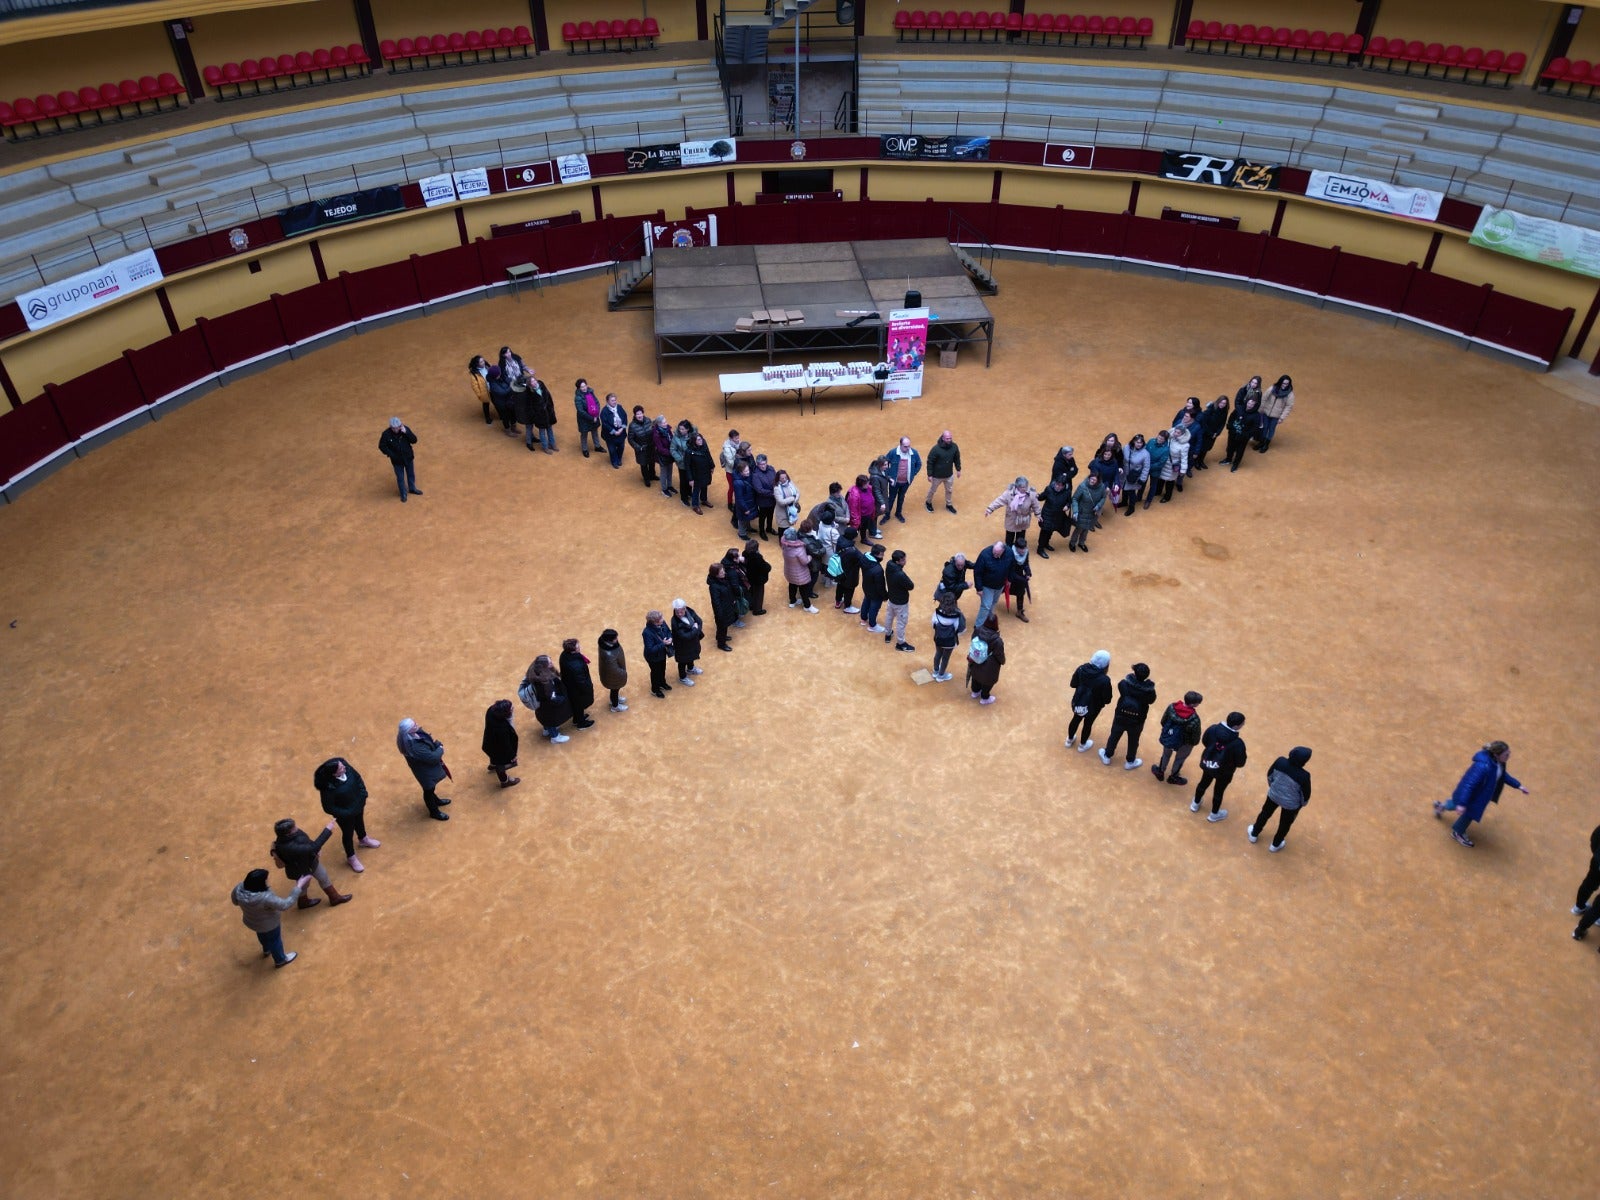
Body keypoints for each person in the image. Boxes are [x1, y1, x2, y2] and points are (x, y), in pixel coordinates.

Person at [1433, 740, 1528, 848]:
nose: (1509, 756)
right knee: (1468, 815)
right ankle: (1458, 832)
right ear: (1496, 754)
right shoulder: (1483, 767)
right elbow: (1469, 785)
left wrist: (1518, 785)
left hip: (1475, 796)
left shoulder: (1498, 763)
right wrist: (1463, 803)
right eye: (1506, 754)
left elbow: (1502, 775)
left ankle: (1441, 806)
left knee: (1456, 804)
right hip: (1473, 797)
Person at [231, 867, 313, 968]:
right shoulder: (265, 898)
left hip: (252, 921)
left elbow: (235, 901)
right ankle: (280, 959)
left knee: (261, 935)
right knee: (275, 940)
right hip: (270, 924)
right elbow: (285, 904)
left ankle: (267, 949)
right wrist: (298, 886)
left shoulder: (239, 888)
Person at [313, 757, 380, 872]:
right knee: (348, 833)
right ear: (334, 774)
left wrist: (363, 794)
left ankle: (363, 839)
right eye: (340, 767)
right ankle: (351, 857)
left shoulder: (347, 768)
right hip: (345, 815)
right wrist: (346, 813)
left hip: (358, 804)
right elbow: (328, 807)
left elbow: (358, 778)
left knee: (359, 822)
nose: (344, 766)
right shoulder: (328, 788)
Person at [271, 817, 354, 908]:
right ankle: (305, 901)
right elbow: (312, 848)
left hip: (308, 863)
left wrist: (314, 851)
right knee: (304, 885)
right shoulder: (289, 847)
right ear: (288, 833)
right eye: (294, 827)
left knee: (322, 876)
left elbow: (307, 842)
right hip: (301, 868)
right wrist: (327, 830)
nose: (297, 828)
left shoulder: (289, 836)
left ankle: (334, 897)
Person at [1249, 747, 1313, 851]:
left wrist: (1273, 788)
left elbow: (1269, 775)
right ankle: (1275, 844)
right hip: (1290, 805)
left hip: (1273, 796)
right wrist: (1300, 805)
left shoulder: (1280, 761)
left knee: (1264, 813)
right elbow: (1305, 795)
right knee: (1285, 824)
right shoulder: (1304, 776)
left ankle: (1254, 834)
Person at [1192, 711, 1248, 822]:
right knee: (1219, 791)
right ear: (1236, 726)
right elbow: (1241, 762)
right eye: (1243, 723)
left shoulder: (1213, 729)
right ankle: (1214, 814)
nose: (1244, 724)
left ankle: (1195, 803)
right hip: (1224, 772)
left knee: (1203, 782)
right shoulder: (1238, 743)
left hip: (1209, 764)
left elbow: (1205, 741)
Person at [1100, 663, 1156, 770]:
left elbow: (1120, 685)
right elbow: (1152, 700)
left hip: (1121, 716)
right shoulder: (1149, 692)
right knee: (1134, 740)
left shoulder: (1124, 684)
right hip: (1137, 720)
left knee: (1114, 736)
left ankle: (1107, 755)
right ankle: (1130, 761)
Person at [396, 717, 451, 819]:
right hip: (425, 772)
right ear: (409, 730)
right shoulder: (415, 747)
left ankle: (436, 801)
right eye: (414, 725)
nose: (416, 724)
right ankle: (434, 812)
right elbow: (433, 758)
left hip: (425, 769)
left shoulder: (413, 735)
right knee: (429, 790)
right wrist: (440, 748)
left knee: (431, 788)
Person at [1152, 691, 1204, 785]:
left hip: (1170, 737)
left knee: (1166, 754)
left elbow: (1163, 721)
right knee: (1180, 759)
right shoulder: (1195, 718)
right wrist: (1193, 743)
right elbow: (1195, 735)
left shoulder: (1172, 707)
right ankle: (1173, 777)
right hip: (1184, 743)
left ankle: (1160, 771)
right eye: (1198, 703)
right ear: (1193, 704)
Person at [1065, 650, 1113, 752]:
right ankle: (1082, 745)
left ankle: (1069, 740)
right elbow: (1107, 699)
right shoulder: (1105, 680)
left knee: (1076, 719)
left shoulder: (1081, 668)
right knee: (1088, 724)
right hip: (1093, 707)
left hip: (1078, 702)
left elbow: (1073, 684)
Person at [521, 655, 572, 742]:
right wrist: (561, 699)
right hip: (548, 706)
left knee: (545, 717)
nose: (551, 663)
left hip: (541, 706)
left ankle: (546, 729)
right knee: (550, 719)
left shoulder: (535, 672)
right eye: (549, 662)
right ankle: (555, 737)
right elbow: (551, 699)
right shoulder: (545, 683)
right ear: (544, 666)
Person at [986, 476, 1042, 549]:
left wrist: (1038, 514)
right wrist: (990, 509)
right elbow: (999, 501)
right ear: (1017, 487)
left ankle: (1018, 550)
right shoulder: (1008, 494)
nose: (1025, 489)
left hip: (1023, 520)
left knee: (1020, 537)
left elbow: (1036, 505)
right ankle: (1009, 550)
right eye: (1023, 487)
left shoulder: (1031, 494)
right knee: (1009, 538)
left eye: (1026, 486)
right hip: (1011, 519)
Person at [379, 417, 421, 502]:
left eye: (398, 427)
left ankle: (412, 488)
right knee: (400, 477)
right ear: (391, 427)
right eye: (394, 428)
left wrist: (407, 432)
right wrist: (391, 454)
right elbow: (381, 446)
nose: (396, 429)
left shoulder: (405, 430)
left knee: (411, 474)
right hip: (397, 461)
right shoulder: (386, 434)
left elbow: (414, 440)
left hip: (408, 457)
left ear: (400, 425)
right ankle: (403, 493)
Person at [965, 614, 1005, 704]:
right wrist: (1003, 661)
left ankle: (975, 692)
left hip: (975, 658)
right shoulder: (997, 640)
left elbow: (972, 640)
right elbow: (999, 654)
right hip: (990, 665)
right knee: (988, 681)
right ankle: (985, 698)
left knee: (975, 676)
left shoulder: (977, 630)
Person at [481, 699, 521, 787]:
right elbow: (506, 745)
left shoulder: (491, 710)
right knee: (501, 765)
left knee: (494, 756)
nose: (513, 708)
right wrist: (512, 756)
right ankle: (505, 781)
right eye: (511, 709)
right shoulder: (502, 728)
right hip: (498, 749)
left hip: (488, 743)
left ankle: (493, 764)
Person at [558, 638, 597, 728]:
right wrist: (589, 688)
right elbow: (581, 682)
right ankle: (581, 724)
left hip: (569, 685)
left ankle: (577, 718)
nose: (580, 647)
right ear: (573, 650)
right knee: (579, 704)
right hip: (577, 690)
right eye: (578, 646)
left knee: (576, 704)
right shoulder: (577, 666)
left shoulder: (564, 655)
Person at [972, 541, 1010, 628]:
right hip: (987, 586)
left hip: (1000, 585)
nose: (995, 555)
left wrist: (1009, 579)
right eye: (994, 552)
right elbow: (977, 572)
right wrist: (979, 588)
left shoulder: (1008, 553)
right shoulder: (984, 555)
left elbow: (1011, 565)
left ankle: (989, 620)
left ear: (1003, 551)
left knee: (994, 602)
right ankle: (978, 626)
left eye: (997, 553)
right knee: (986, 606)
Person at [930, 592, 967, 682]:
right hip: (950, 641)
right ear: (954, 602)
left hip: (938, 638)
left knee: (938, 653)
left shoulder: (937, 612)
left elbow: (933, 623)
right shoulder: (958, 615)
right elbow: (960, 628)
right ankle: (941, 676)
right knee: (945, 658)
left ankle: (935, 671)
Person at [884, 436, 921, 522]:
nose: (908, 448)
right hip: (894, 482)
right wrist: (889, 476)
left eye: (909, 446)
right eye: (905, 446)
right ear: (900, 445)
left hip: (906, 482)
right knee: (891, 498)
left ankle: (898, 513)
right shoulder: (893, 452)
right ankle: (887, 515)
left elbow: (919, 464)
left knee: (901, 497)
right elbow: (884, 464)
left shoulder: (914, 453)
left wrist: (913, 474)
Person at [884, 549, 915, 652]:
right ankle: (901, 643)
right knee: (901, 622)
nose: (905, 561)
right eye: (902, 560)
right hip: (901, 602)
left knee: (889, 616)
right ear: (897, 562)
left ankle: (888, 634)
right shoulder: (900, 574)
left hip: (891, 598)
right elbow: (911, 586)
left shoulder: (889, 564)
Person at [1067, 470, 1105, 553]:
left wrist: (1098, 505)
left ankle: (1082, 543)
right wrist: (1076, 511)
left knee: (1086, 529)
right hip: (1082, 512)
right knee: (1079, 529)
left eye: (1094, 480)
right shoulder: (1082, 486)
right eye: (1091, 479)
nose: (1092, 481)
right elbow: (1075, 499)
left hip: (1093, 513)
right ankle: (1072, 543)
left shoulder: (1102, 487)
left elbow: (1103, 498)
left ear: (1098, 481)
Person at [1222, 395, 1262, 471]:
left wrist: (1246, 435)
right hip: (1233, 433)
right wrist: (1230, 427)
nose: (1250, 405)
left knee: (1239, 452)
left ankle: (1235, 464)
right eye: (1249, 403)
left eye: (1252, 404)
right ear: (1247, 402)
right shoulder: (1239, 408)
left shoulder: (1256, 415)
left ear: (1255, 405)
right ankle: (1228, 459)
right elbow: (1232, 417)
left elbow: (1255, 428)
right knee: (1230, 447)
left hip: (1243, 437)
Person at [924, 430, 962, 513]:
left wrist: (958, 469)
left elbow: (957, 458)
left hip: (949, 475)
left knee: (949, 490)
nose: (949, 440)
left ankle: (949, 504)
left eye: (950, 438)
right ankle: (928, 502)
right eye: (947, 438)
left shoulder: (954, 447)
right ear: (943, 438)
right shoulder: (936, 449)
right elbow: (930, 462)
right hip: (937, 476)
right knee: (933, 490)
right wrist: (929, 474)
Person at [1036, 475, 1072, 559]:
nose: (1058, 487)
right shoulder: (1049, 489)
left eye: (1061, 485)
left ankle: (1046, 544)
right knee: (1044, 532)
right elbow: (1042, 497)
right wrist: (1037, 496)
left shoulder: (1067, 492)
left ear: (1064, 486)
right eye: (1057, 484)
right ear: (1055, 483)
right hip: (1047, 515)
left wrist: (1067, 506)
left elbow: (1069, 502)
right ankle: (1040, 549)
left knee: (1051, 530)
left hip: (1058, 516)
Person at [670, 600, 705, 683]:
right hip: (682, 646)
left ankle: (690, 668)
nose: (679, 614)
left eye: (681, 612)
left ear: (685, 608)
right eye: (677, 612)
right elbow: (685, 636)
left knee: (692, 656)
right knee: (682, 662)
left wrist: (695, 630)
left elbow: (699, 621)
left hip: (692, 642)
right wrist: (695, 629)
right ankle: (682, 677)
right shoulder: (674, 621)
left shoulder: (690, 611)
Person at [1257, 374, 1295, 451]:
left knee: (1271, 429)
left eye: (1287, 384)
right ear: (1280, 382)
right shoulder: (1272, 389)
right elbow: (1264, 398)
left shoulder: (1290, 395)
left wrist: (1281, 418)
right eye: (1283, 383)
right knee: (1264, 428)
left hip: (1276, 416)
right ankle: (1261, 442)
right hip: (1266, 412)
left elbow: (1288, 407)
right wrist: (1261, 409)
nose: (1285, 385)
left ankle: (1266, 444)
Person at [524, 369, 558, 453]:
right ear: (530, 384)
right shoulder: (530, 393)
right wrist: (537, 414)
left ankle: (552, 444)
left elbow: (548, 397)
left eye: (534, 380)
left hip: (548, 412)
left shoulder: (542, 385)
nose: (535, 382)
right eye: (532, 382)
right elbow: (531, 406)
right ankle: (545, 447)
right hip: (540, 415)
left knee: (550, 429)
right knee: (542, 432)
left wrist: (550, 408)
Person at [707, 563, 738, 652]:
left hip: (727, 606)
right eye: (721, 572)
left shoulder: (722, 579)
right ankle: (721, 644)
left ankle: (720, 637)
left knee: (723, 627)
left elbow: (728, 590)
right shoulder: (714, 586)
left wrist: (732, 599)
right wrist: (720, 614)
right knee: (722, 627)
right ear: (716, 574)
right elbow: (716, 603)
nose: (724, 572)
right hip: (722, 611)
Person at [1155, 424, 1189, 504]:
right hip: (1164, 462)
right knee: (1160, 478)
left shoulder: (1185, 445)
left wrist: (1183, 470)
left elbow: (1184, 458)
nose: (1175, 433)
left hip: (1172, 465)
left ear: (1182, 434)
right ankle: (1158, 491)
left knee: (1170, 482)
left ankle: (1167, 497)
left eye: (1178, 433)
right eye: (1175, 431)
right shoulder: (1169, 437)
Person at [642, 610, 674, 698]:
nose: (663, 619)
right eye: (660, 618)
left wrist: (670, 638)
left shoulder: (662, 623)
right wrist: (663, 643)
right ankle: (655, 689)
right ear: (655, 621)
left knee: (662, 669)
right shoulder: (647, 633)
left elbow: (668, 631)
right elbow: (650, 649)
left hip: (662, 654)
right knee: (655, 673)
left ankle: (662, 683)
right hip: (653, 658)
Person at [859, 543, 888, 633]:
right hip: (875, 592)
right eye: (881, 554)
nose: (883, 556)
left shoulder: (864, 557)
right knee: (874, 608)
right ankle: (872, 625)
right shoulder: (878, 569)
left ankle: (863, 619)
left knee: (866, 602)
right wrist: (885, 596)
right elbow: (880, 585)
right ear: (876, 555)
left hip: (866, 586)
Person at [597, 628, 629, 712]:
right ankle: (615, 706)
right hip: (613, 676)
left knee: (615, 689)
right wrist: (623, 673)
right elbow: (614, 669)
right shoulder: (608, 654)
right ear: (609, 640)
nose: (617, 639)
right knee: (614, 688)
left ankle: (614, 700)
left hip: (611, 674)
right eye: (615, 638)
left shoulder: (606, 644)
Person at [1195, 395, 1229, 471]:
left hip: (1213, 434)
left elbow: (1222, 423)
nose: (1222, 405)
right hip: (1206, 432)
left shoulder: (1224, 411)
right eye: (1221, 403)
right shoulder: (1211, 409)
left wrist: (1217, 433)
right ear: (1218, 402)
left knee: (1207, 448)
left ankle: (1201, 461)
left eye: (1224, 403)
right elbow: (1204, 422)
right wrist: (1210, 433)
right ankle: (1196, 461)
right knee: (1201, 448)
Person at [685, 431, 716, 515]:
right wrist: (690, 479)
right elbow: (687, 466)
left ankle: (704, 500)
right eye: (698, 440)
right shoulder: (689, 452)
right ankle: (695, 505)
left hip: (705, 471)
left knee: (705, 486)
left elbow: (708, 456)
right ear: (694, 441)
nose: (701, 441)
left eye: (701, 439)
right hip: (696, 474)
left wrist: (712, 466)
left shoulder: (704, 446)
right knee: (696, 489)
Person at [1120, 434, 1151, 515]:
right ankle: (1124, 502)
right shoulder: (1126, 448)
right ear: (1133, 441)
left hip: (1135, 476)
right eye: (1137, 442)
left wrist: (1142, 479)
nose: (1139, 444)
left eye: (1141, 443)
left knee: (1131, 492)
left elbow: (1146, 467)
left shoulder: (1145, 454)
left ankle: (1131, 507)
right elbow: (1121, 458)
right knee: (1124, 488)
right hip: (1124, 473)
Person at [833, 529, 863, 614]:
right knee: (849, 589)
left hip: (839, 570)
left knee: (840, 585)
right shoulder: (853, 551)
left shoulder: (840, 539)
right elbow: (862, 560)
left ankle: (838, 602)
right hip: (850, 573)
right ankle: (847, 606)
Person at [1573, 823, 1600, 915]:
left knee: (1589, 883)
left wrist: (1597, 855)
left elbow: (1595, 838)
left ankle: (1579, 906)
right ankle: (1597, 917)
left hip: (1597, 861)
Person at [627, 405, 657, 485]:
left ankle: (652, 475)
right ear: (635, 415)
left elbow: (653, 431)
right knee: (644, 465)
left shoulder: (648, 420)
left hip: (650, 446)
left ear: (643, 413)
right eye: (637, 414)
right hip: (641, 449)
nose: (639, 415)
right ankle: (646, 479)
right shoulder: (632, 426)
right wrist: (638, 447)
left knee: (652, 462)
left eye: (640, 413)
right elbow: (630, 439)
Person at [1141, 430, 1171, 511]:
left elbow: (1161, 463)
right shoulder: (1151, 441)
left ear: (1165, 440)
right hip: (1146, 467)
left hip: (1155, 470)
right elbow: (1145, 451)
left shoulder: (1166, 450)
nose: (1159, 439)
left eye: (1162, 439)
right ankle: (1139, 497)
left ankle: (1148, 500)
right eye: (1159, 437)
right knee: (1142, 481)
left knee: (1153, 486)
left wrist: (1148, 467)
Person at [741, 538, 771, 615]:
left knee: (752, 592)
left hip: (749, 577)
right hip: (758, 579)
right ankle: (757, 610)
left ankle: (751, 605)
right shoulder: (757, 558)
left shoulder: (744, 554)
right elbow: (766, 567)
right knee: (758, 594)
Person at [751, 454, 778, 538]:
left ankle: (769, 528)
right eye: (760, 464)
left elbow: (776, 479)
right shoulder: (755, 475)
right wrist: (773, 493)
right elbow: (759, 490)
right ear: (757, 464)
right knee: (762, 517)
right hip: (763, 501)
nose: (763, 466)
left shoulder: (771, 469)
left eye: (764, 463)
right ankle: (762, 531)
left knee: (771, 514)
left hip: (772, 499)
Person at [599, 392, 629, 468]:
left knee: (621, 447)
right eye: (612, 400)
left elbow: (625, 417)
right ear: (608, 401)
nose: (614, 402)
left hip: (621, 432)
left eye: (615, 400)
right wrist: (614, 432)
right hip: (610, 435)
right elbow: (605, 424)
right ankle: (614, 462)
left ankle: (619, 459)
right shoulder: (604, 411)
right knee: (612, 450)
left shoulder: (619, 407)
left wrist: (622, 428)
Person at [573, 378, 602, 457]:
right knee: (584, 434)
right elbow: (581, 411)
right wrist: (592, 418)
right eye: (582, 387)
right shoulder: (578, 398)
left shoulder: (591, 392)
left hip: (594, 416)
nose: (584, 388)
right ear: (579, 388)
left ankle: (597, 446)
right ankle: (585, 449)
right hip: (584, 420)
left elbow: (597, 402)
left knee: (595, 432)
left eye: (585, 385)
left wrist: (596, 414)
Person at [671, 420, 696, 508]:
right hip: (682, 464)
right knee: (683, 481)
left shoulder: (693, 435)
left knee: (691, 478)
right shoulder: (676, 438)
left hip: (692, 462)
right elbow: (673, 450)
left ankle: (689, 493)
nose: (680, 430)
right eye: (680, 429)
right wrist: (680, 459)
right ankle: (683, 497)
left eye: (682, 429)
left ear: (687, 429)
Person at [732, 462, 759, 540]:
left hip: (749, 501)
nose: (748, 472)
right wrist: (745, 508)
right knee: (742, 519)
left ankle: (748, 528)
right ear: (741, 472)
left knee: (747, 517)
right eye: (746, 471)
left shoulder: (747, 477)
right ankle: (742, 533)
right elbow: (739, 498)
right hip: (744, 504)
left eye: (748, 470)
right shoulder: (738, 483)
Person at [1007, 543, 1032, 623]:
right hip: (1009, 577)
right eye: (1021, 549)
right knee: (999, 590)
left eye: (1024, 549)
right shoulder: (1010, 553)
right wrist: (1021, 579)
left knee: (1021, 593)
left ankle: (1019, 611)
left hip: (1020, 576)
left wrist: (1028, 573)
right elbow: (1008, 568)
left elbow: (1026, 563)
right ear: (1016, 548)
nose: (1023, 551)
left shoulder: (1026, 552)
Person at [868, 456, 892, 536]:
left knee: (876, 515)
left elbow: (883, 476)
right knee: (874, 515)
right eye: (885, 465)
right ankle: (872, 532)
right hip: (876, 500)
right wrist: (882, 503)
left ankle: (873, 528)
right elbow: (876, 491)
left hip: (880, 497)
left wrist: (889, 479)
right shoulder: (875, 477)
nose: (887, 466)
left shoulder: (880, 471)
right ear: (880, 465)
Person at [652, 415, 676, 496]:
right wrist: (672, 452)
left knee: (670, 471)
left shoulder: (668, 429)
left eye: (666, 421)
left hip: (670, 454)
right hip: (663, 456)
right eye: (664, 422)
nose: (666, 423)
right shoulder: (656, 434)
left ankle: (669, 486)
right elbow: (660, 449)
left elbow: (672, 439)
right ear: (659, 424)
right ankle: (664, 489)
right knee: (664, 473)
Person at [773, 469, 800, 535]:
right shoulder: (777, 488)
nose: (785, 479)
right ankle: (781, 541)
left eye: (785, 477)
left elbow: (798, 492)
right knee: (782, 528)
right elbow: (781, 502)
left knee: (789, 526)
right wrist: (792, 498)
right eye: (782, 478)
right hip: (782, 512)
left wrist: (795, 500)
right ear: (778, 479)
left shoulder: (790, 483)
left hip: (791, 510)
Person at [720, 429, 741, 511]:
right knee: (732, 488)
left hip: (738, 470)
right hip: (731, 472)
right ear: (731, 439)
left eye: (738, 437)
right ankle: (729, 503)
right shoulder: (727, 449)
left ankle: (737, 502)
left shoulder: (737, 443)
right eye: (736, 438)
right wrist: (739, 458)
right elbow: (731, 463)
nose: (738, 439)